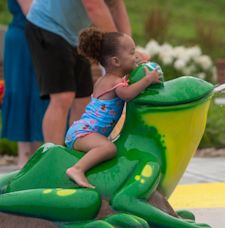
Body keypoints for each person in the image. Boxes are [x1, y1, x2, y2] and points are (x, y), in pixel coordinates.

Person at [24, 0, 131, 145]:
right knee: (62, 97)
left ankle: (75, 155)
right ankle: (52, 157)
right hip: (47, 25)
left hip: (74, 35)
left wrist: (130, 48)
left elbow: (116, 4)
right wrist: (120, 50)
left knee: (83, 98)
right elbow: (93, 6)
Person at [65, 28, 160, 188]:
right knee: (109, 148)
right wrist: (148, 80)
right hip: (84, 133)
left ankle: (80, 168)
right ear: (116, 61)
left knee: (108, 146)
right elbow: (128, 94)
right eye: (131, 53)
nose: (135, 56)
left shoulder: (107, 80)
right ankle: (77, 169)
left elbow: (127, 83)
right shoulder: (115, 83)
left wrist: (138, 69)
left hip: (82, 130)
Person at [1, 0, 48, 169]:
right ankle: (25, 156)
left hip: (40, 37)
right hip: (24, 39)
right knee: (24, 91)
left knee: (39, 93)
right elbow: (31, 11)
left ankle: (37, 154)